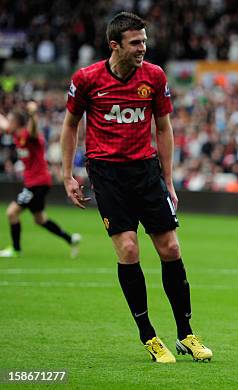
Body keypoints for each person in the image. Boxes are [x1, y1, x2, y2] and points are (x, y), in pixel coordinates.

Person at [60, 11, 211, 363]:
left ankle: (186, 334)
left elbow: (164, 127)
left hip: (146, 171)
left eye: (144, 41)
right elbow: (70, 126)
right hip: (107, 173)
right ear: (115, 45)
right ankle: (149, 336)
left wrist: (169, 179)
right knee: (128, 250)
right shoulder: (87, 79)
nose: (143, 48)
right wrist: (67, 174)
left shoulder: (154, 76)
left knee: (171, 248)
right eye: (136, 43)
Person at [0, 101, 80, 258]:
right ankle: (70, 239)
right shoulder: (16, 133)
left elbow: (34, 130)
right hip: (37, 183)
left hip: (37, 183)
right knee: (40, 219)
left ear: (17, 122)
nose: (8, 122)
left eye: (11, 120)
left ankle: (16, 250)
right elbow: (3, 124)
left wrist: (32, 114)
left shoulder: (30, 135)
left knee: (11, 213)